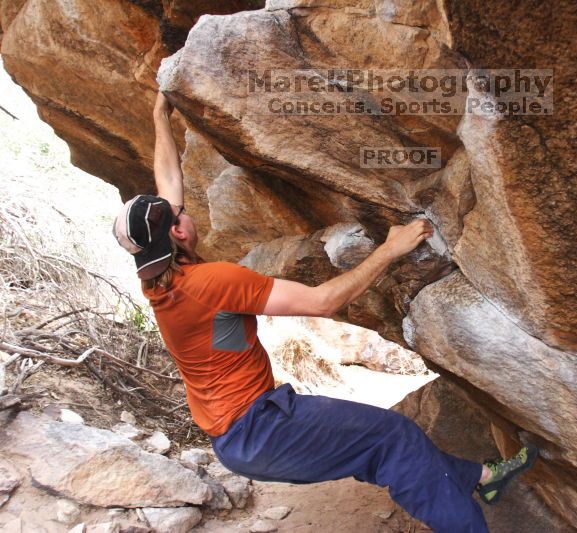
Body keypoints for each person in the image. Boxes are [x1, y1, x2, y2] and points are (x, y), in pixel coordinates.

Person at [111, 92, 536, 532]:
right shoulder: (213, 283)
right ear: (178, 230)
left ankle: (482, 478)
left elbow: (168, 184)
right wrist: (389, 250)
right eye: (178, 213)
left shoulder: (158, 282)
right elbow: (322, 302)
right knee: (395, 437)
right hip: (261, 429)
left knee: (378, 446)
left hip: (238, 438)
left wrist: (160, 115)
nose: (181, 207)